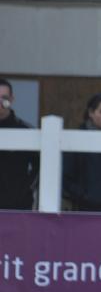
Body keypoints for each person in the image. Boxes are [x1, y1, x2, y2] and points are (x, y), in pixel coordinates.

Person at [0, 78, 37, 210]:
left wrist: (26, 188)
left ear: (11, 100)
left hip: (18, 205)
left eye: (4, 98)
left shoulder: (27, 131)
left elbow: (39, 165)